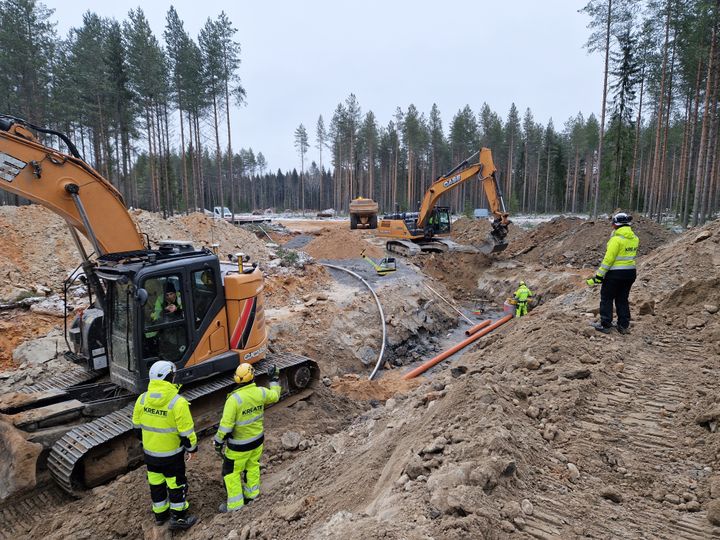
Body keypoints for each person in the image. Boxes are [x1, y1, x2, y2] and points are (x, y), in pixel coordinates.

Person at [132, 360, 198, 530]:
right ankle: (179, 518)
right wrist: (192, 449)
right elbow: (187, 433)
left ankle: (160, 515)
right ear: (170, 377)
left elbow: (137, 429)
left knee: (156, 484)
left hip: (151, 455)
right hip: (172, 456)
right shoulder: (178, 402)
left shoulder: (142, 399)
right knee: (176, 485)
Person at [213, 363, 281, 513]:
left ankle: (235, 506)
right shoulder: (261, 392)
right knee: (252, 466)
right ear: (253, 377)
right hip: (257, 441)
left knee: (231, 474)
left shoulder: (234, 400)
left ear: (237, 379)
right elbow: (275, 396)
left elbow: (225, 426)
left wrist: (218, 441)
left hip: (238, 446)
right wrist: (274, 379)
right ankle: (252, 495)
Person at [586, 212, 639, 334]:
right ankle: (623, 325)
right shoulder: (635, 238)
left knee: (607, 298)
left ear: (615, 224)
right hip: (630, 273)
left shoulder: (616, 240)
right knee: (622, 299)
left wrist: (599, 275)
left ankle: (605, 324)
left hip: (615, 274)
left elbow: (608, 260)